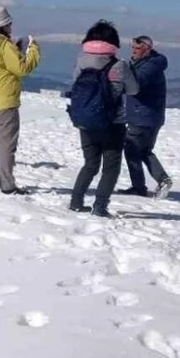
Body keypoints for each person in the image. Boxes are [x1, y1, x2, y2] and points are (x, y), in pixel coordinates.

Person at [67, 20, 139, 217]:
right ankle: (100, 206)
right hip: (112, 124)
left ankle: (76, 201)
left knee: (90, 164)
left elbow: (74, 86)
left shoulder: (81, 62)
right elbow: (134, 89)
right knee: (111, 166)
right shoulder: (119, 65)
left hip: (86, 122)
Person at [0, 6, 41, 194]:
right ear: (4, 26)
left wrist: (15, 49)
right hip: (6, 101)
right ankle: (7, 185)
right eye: (9, 23)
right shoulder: (5, 45)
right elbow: (22, 68)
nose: (11, 26)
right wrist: (33, 49)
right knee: (6, 145)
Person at [119, 35, 173, 199]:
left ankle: (142, 186)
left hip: (141, 115)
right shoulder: (152, 63)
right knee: (144, 151)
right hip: (150, 116)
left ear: (147, 49)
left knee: (132, 150)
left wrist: (120, 76)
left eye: (137, 49)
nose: (134, 51)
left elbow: (136, 84)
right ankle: (158, 180)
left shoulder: (149, 67)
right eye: (133, 48)